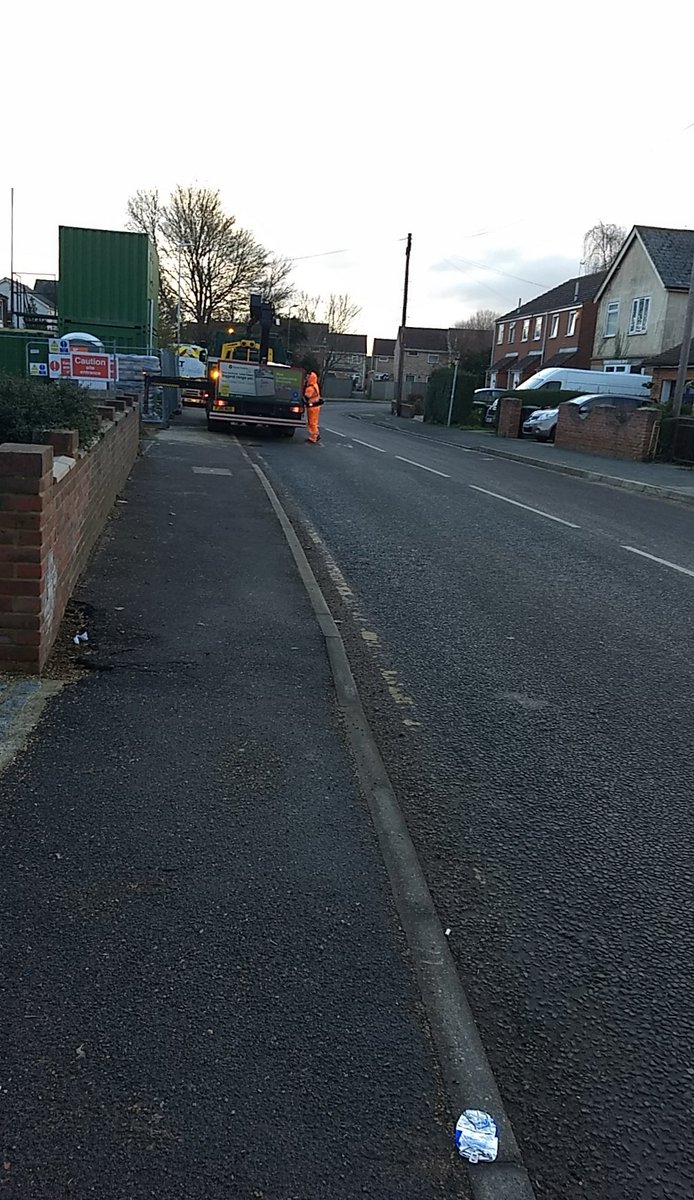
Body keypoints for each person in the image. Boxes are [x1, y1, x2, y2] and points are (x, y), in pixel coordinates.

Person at [304, 371, 322, 444]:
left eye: (308, 377)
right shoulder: (315, 385)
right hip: (315, 406)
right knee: (313, 422)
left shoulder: (310, 388)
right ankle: (314, 436)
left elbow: (306, 397)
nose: (307, 378)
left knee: (312, 423)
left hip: (312, 407)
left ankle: (314, 437)